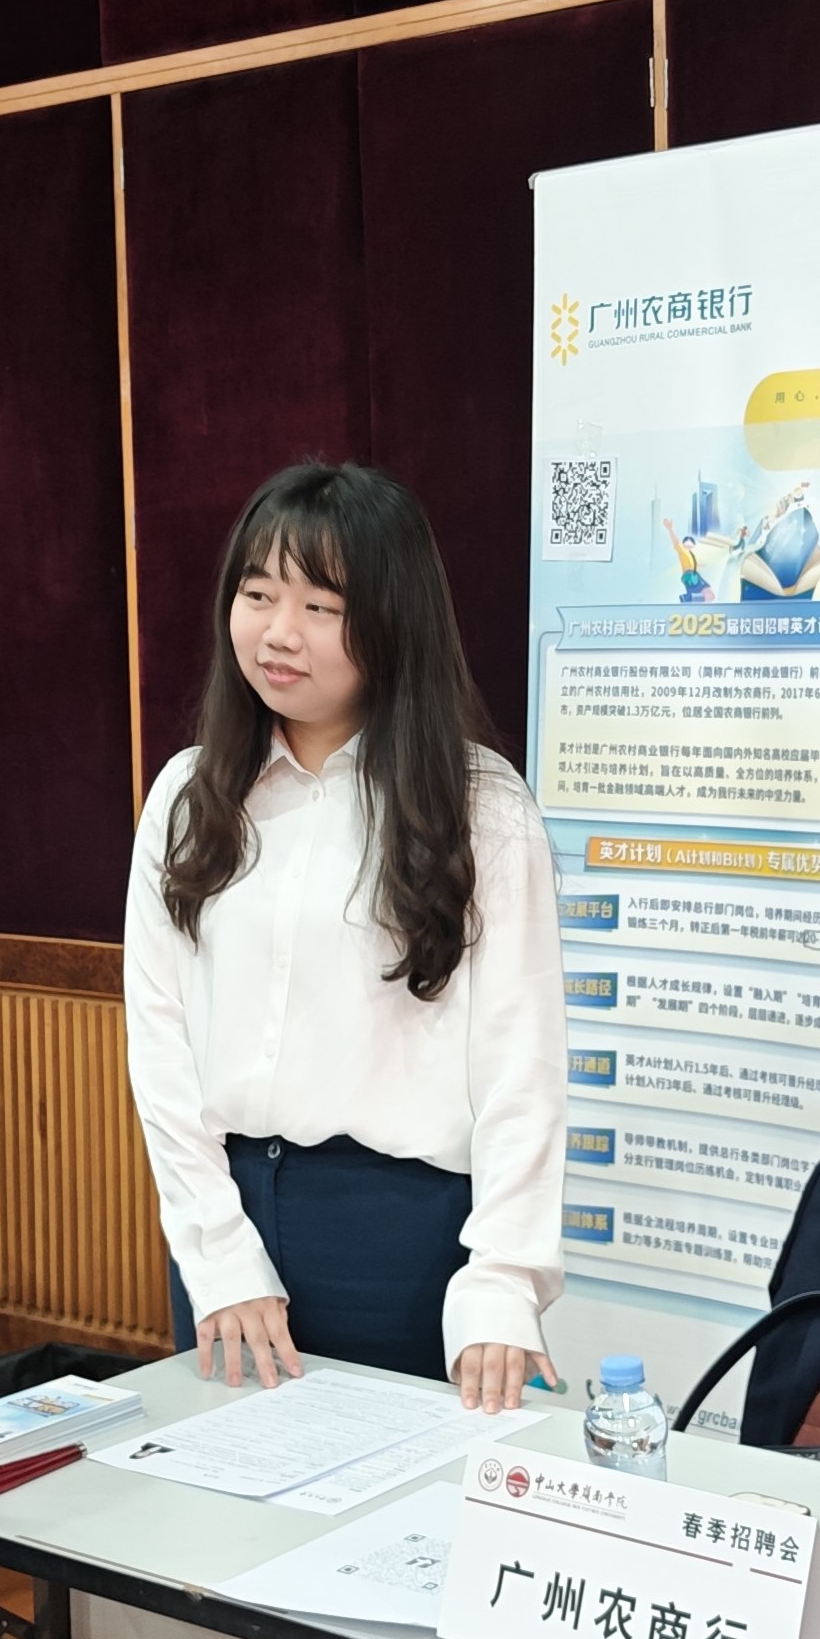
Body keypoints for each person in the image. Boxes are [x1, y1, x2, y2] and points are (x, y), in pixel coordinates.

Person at [122, 463, 567, 1412]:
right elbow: (160, 1045)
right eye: (257, 595)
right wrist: (217, 1251)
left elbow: (522, 1064)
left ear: (393, 621)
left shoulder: (480, 806)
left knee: (402, 1497)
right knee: (225, 1487)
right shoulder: (189, 795)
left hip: (402, 1235)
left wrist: (503, 1279)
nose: (279, 633)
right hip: (226, 1217)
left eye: (321, 606)